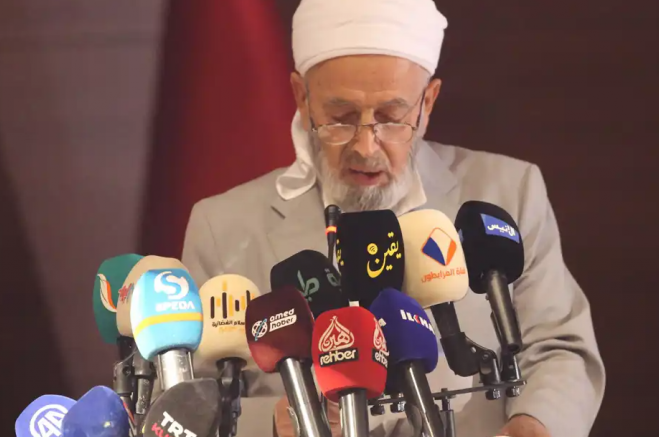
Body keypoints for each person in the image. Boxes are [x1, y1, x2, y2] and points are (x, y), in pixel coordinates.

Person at [180, 0, 605, 436]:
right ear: (302, 100)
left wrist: (533, 425)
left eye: (391, 117)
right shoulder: (222, 227)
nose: (366, 146)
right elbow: (185, 401)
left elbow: (560, 348)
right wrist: (273, 422)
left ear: (427, 103)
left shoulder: (507, 193)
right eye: (341, 118)